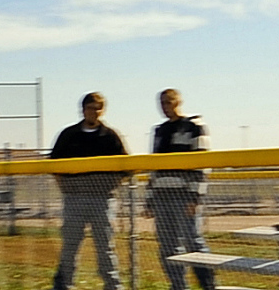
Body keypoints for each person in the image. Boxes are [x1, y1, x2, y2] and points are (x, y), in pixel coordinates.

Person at [49, 92, 130, 290]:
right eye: (90, 108)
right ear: (83, 110)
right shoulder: (68, 135)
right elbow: (54, 166)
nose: (94, 112)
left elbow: (127, 167)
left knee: (105, 247)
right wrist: (67, 188)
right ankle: (64, 285)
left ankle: (112, 285)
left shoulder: (110, 136)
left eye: (98, 108)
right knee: (70, 246)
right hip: (74, 200)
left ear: (103, 110)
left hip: (102, 201)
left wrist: (107, 187)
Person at [147, 89, 212, 290]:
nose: (166, 107)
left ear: (179, 102)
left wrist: (195, 197)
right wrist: (149, 198)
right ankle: (178, 286)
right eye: (162, 103)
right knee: (167, 246)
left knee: (194, 242)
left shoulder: (194, 127)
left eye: (169, 102)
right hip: (161, 196)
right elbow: (154, 165)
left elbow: (202, 163)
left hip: (184, 196)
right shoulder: (159, 130)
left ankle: (208, 285)